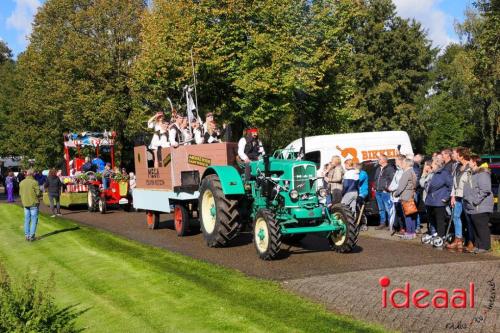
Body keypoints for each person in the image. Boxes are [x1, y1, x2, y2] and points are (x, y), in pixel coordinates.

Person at [463, 155, 494, 254]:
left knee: (481, 226)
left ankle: (485, 246)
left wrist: (475, 201)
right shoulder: (473, 174)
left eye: (470, 161)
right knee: (475, 226)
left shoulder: (483, 174)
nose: (468, 163)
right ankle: (478, 245)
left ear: (475, 162)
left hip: (480, 206)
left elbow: (485, 190)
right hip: (473, 207)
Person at [446, 147, 471, 252]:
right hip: (457, 196)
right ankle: (458, 240)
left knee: (468, 219)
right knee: (455, 217)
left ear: (461, 155)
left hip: (466, 197)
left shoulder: (470, 167)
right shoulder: (457, 166)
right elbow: (454, 184)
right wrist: (452, 196)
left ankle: (471, 241)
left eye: (456, 154)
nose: (454, 155)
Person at [424, 159, 452, 248]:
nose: (431, 166)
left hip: (439, 200)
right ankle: (434, 233)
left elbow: (451, 186)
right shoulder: (432, 173)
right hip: (429, 200)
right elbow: (424, 184)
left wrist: (446, 197)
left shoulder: (444, 174)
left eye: (432, 165)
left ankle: (441, 235)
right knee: (430, 218)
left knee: (440, 219)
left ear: (437, 165)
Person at [394, 158, 418, 240]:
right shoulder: (412, 172)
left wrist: (395, 194)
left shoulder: (406, 173)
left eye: (403, 163)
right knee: (412, 215)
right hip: (411, 195)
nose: (402, 164)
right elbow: (414, 184)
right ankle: (413, 232)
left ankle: (409, 233)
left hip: (406, 196)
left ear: (407, 164)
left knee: (407, 216)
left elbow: (401, 187)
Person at [20, 169, 42, 241]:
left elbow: (20, 193)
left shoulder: (22, 182)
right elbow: (38, 193)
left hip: (25, 203)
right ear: (32, 174)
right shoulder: (34, 182)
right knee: (34, 219)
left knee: (27, 219)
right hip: (33, 203)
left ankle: (27, 235)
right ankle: (31, 236)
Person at [374, 154, 395, 230]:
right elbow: (376, 179)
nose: (378, 160)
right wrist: (375, 187)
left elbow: (392, 180)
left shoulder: (390, 168)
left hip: (385, 192)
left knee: (388, 208)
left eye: (379, 159)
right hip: (378, 191)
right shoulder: (378, 169)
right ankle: (382, 223)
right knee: (381, 209)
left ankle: (390, 224)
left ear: (384, 160)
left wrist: (386, 188)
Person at [388, 155, 406, 233]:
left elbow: (400, 183)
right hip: (394, 195)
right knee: (398, 212)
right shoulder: (398, 170)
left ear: (400, 160)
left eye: (396, 160)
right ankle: (401, 227)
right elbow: (394, 182)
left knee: (403, 213)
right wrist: (390, 188)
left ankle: (405, 228)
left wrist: (393, 188)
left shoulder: (404, 171)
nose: (395, 162)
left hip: (400, 194)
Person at [355, 163, 369, 231]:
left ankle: (364, 224)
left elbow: (358, 181)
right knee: (356, 208)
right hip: (356, 193)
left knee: (360, 208)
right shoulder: (356, 173)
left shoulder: (363, 173)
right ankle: (357, 222)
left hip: (363, 193)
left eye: (354, 168)